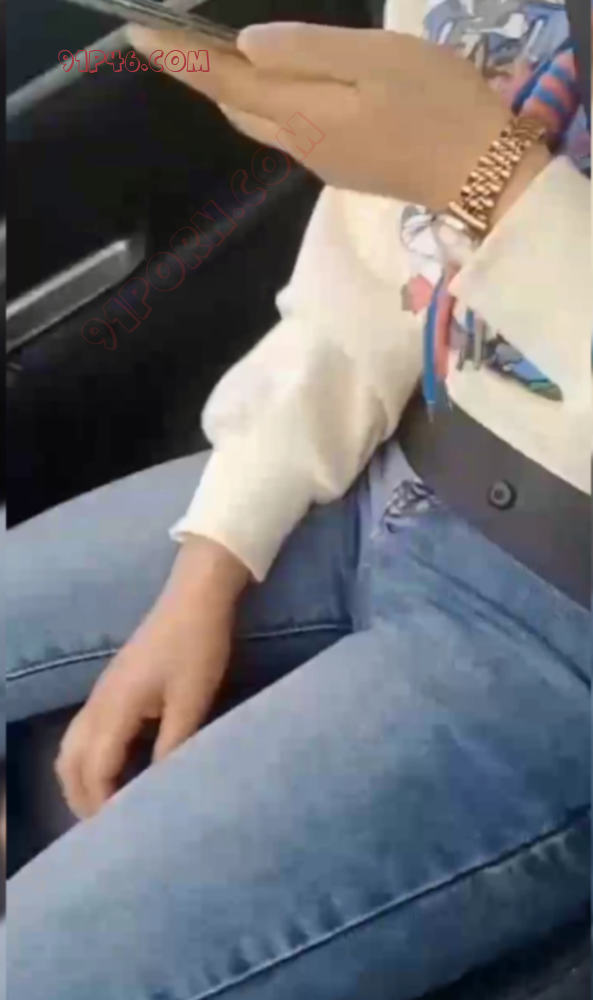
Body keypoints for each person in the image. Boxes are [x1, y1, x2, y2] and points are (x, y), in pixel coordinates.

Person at [2, 1, 590, 997]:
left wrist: (487, 179)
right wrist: (214, 556)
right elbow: (380, 257)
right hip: (398, 465)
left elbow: (459, 179)